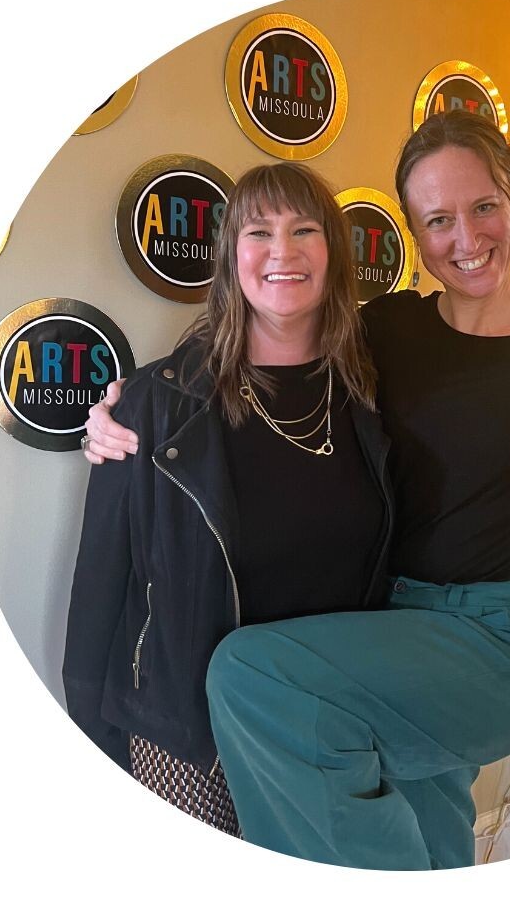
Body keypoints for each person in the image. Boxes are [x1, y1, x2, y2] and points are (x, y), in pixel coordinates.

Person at [82, 110, 510, 869]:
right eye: (438, 220)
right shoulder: (389, 330)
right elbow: (270, 322)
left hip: (506, 639)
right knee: (433, 839)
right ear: (415, 232)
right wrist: (134, 405)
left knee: (248, 674)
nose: (466, 238)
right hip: (396, 626)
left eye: (484, 207)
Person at [63, 162, 394, 837]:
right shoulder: (155, 405)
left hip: (328, 727)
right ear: (230, 256)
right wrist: (90, 739)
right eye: (258, 232)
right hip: (189, 736)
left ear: (334, 252)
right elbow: (100, 584)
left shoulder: (373, 396)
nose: (282, 251)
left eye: (304, 230)